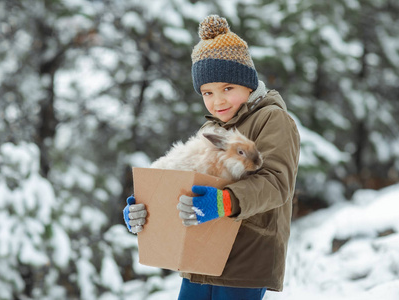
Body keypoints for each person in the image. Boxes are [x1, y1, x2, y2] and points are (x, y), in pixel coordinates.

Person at [123, 15, 300, 300]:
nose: (217, 101)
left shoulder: (272, 119)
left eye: (227, 89)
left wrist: (225, 201)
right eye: (207, 92)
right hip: (200, 255)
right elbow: (186, 180)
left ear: (248, 84)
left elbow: (277, 184)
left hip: (246, 257)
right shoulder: (211, 130)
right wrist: (148, 206)